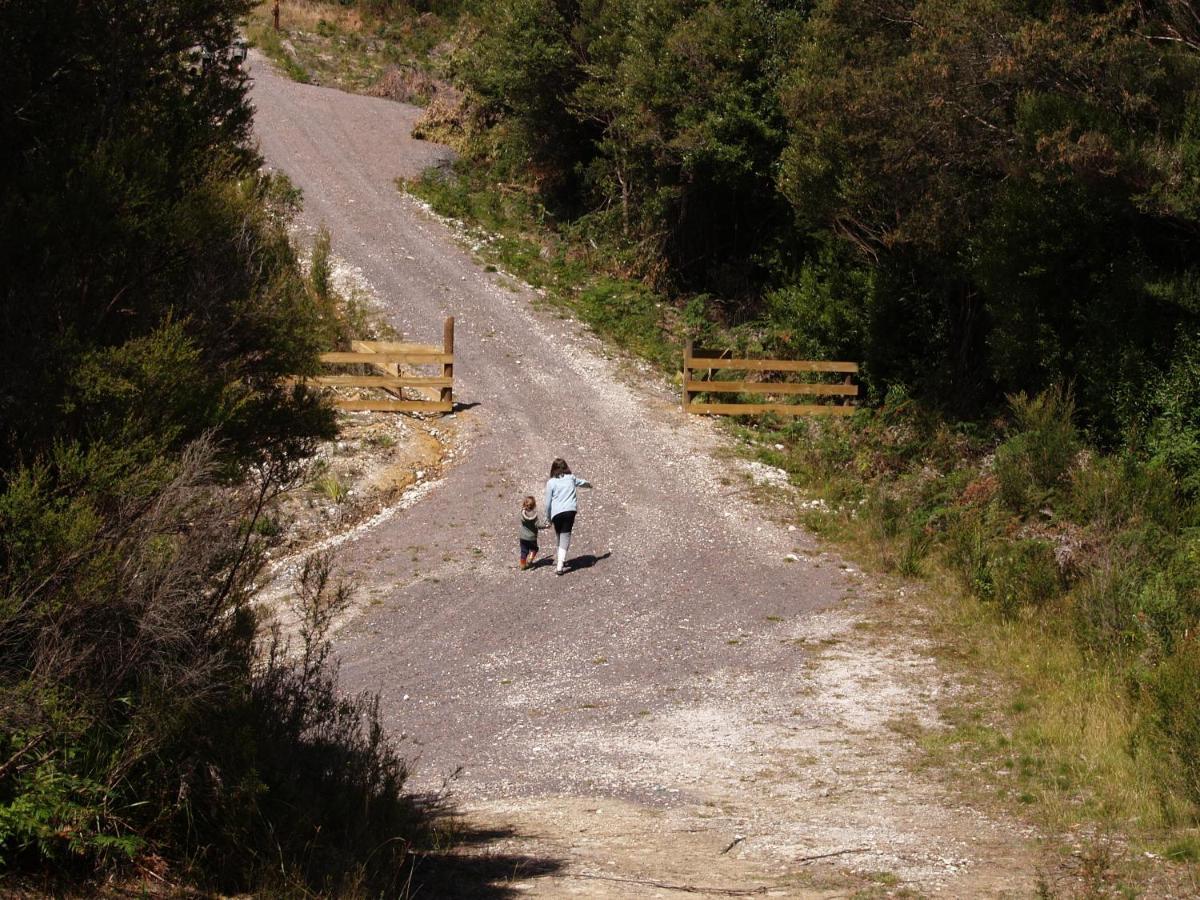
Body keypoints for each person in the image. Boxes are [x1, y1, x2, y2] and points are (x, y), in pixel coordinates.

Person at [544, 458, 592, 576]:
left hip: (556, 513)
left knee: (560, 534)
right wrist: (589, 485)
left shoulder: (551, 483)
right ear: (566, 467)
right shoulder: (571, 478)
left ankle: (560, 561)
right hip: (570, 511)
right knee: (565, 535)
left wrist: (548, 518)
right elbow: (582, 482)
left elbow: (547, 504)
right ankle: (560, 563)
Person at [518, 495, 547, 570]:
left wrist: (524, 507)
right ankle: (530, 559)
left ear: (524, 504)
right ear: (534, 506)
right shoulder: (534, 516)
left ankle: (522, 565)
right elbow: (538, 525)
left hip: (522, 537)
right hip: (532, 537)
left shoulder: (522, 513)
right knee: (534, 549)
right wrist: (546, 525)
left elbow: (523, 509)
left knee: (523, 551)